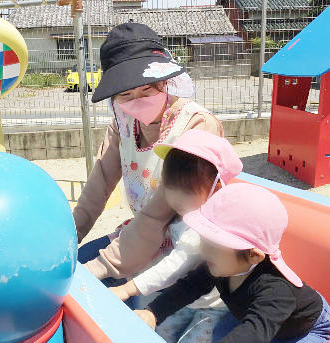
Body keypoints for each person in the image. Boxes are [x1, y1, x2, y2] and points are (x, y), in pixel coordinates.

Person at [74, 22, 223, 292]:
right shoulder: (122, 124)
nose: (137, 100)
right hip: (140, 236)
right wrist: (70, 236)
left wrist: (104, 264)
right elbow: (99, 184)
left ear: (166, 81)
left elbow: (161, 211)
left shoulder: (196, 124)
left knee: (104, 293)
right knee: (75, 261)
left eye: (147, 89)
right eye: (125, 94)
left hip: (191, 246)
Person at [137, 183, 330, 343]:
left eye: (214, 246)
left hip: (306, 327)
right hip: (259, 315)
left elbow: (255, 334)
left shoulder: (276, 291)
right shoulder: (222, 266)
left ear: (254, 256)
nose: (204, 250)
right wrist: (153, 312)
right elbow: (188, 287)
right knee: (218, 336)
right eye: (204, 241)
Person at [109, 129, 242, 342]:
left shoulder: (207, 226)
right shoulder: (186, 210)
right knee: (159, 332)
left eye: (187, 190)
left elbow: (175, 264)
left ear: (216, 187)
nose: (174, 198)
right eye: (170, 185)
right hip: (185, 299)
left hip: (215, 307)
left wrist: (127, 289)